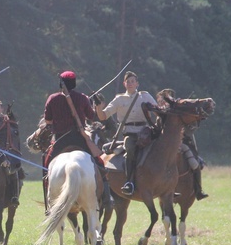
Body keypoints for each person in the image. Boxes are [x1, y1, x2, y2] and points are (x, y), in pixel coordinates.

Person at [43, 71, 112, 207]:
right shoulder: (82, 98)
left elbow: (48, 120)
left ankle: (48, 202)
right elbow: (91, 116)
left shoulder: (52, 98)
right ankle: (106, 198)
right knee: (99, 164)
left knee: (46, 166)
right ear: (74, 83)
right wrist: (93, 104)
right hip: (79, 139)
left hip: (59, 141)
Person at [95, 71, 157, 196]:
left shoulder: (145, 96)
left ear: (137, 83)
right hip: (130, 134)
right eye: (128, 81)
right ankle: (129, 182)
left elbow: (159, 112)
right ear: (124, 84)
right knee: (130, 150)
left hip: (146, 132)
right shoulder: (119, 99)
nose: (130, 83)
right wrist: (97, 105)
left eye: (132, 81)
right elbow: (102, 116)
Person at [157, 88, 208, 200]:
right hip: (164, 145)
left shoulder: (182, 113)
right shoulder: (161, 113)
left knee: (195, 165)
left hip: (183, 144)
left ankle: (198, 190)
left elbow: (191, 128)